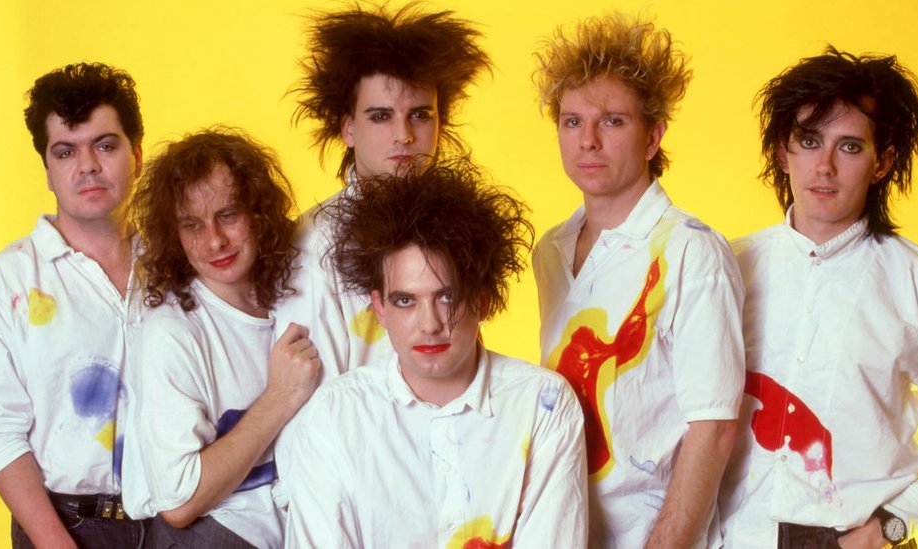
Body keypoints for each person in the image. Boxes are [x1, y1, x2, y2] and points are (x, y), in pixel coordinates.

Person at [719, 47, 918, 549]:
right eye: (809, 141)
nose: (825, 166)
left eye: (850, 147)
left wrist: (888, 527)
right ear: (783, 152)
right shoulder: (728, 268)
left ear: (882, 163)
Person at [279, 159, 588, 548]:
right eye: (405, 300)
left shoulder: (542, 404)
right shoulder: (334, 416)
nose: (429, 324)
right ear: (380, 308)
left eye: (447, 297)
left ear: (482, 300)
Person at [531, 14, 745, 548]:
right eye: (572, 122)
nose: (588, 141)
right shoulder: (550, 250)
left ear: (652, 137)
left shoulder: (690, 250)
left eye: (612, 121)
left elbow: (714, 427)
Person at [273, 1, 492, 384]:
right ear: (348, 128)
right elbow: (311, 402)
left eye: (420, 115)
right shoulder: (313, 245)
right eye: (380, 116)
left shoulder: (457, 225)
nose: (403, 135)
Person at [122, 128, 320, 548]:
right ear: (174, 235)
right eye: (192, 224)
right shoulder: (171, 333)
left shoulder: (294, 297)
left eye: (227, 215)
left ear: (258, 213)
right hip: (207, 537)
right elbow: (179, 503)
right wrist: (280, 397)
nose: (214, 241)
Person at [0, 62, 148, 548]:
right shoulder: (9, 278)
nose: (88, 166)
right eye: (65, 151)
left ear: (137, 155)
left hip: (174, 521)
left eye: (105, 145)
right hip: (64, 525)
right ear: (47, 170)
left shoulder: (178, 263)